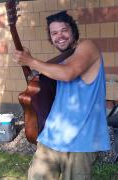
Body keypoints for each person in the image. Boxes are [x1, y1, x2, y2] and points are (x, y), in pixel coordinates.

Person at [13, 11, 110, 180]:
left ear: (73, 31)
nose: (60, 36)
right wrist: (29, 63)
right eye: (54, 33)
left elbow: (68, 73)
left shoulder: (88, 47)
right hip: (50, 138)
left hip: (80, 143)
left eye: (64, 30)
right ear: (50, 38)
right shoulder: (62, 60)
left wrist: (30, 61)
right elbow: (37, 79)